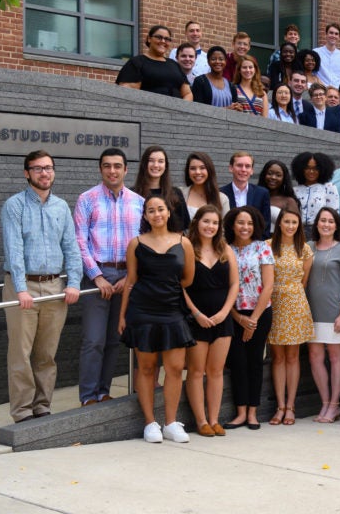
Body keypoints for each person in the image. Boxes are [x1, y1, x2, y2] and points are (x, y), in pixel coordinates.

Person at [1, 151, 82, 423]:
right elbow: (14, 248)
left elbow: (71, 247)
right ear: (27, 173)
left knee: (47, 353)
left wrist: (73, 282)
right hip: (22, 287)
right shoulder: (14, 205)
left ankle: (42, 406)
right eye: (37, 169)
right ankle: (23, 411)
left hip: (54, 287)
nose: (44, 173)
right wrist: (21, 288)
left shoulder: (61, 206)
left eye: (48, 168)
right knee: (21, 354)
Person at [118, 194, 195, 443]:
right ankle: (150, 423)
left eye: (160, 209)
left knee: (174, 368)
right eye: (151, 210)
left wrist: (166, 288)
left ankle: (171, 423)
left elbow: (188, 279)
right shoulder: (136, 244)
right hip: (143, 311)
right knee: (148, 368)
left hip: (172, 309)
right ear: (145, 215)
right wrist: (123, 315)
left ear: (169, 212)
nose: (157, 214)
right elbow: (131, 281)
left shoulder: (184, 243)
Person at [75, 148, 144, 406]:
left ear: (126, 169)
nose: (112, 171)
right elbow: (79, 242)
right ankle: (88, 396)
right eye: (107, 166)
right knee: (94, 339)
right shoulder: (87, 199)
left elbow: (143, 243)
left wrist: (130, 278)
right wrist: (96, 276)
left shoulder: (139, 202)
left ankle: (103, 391)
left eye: (117, 166)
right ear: (101, 169)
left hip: (127, 277)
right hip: (98, 277)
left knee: (115, 338)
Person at [182, 205, 238, 437]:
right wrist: (196, 314)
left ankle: (215, 419)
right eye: (206, 221)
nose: (210, 226)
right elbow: (179, 286)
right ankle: (201, 421)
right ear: (197, 222)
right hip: (196, 319)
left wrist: (225, 312)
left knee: (216, 371)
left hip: (221, 319)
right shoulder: (187, 248)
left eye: (215, 223)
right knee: (196, 371)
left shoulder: (225, 249)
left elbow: (234, 284)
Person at [223, 206, 274, 430]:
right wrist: (237, 317)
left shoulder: (262, 247)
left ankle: (253, 412)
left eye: (250, 223)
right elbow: (223, 287)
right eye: (241, 223)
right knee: (237, 362)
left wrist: (252, 319)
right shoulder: (224, 249)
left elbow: (268, 285)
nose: (245, 227)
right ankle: (240, 412)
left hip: (259, 312)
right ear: (232, 225)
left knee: (254, 361)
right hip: (232, 313)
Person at [265, 209, 313, 427]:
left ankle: (291, 406)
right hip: (273, 303)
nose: (291, 226)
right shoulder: (268, 246)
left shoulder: (304, 248)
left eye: (295, 222)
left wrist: (291, 294)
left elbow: (305, 281)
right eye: (287, 221)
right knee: (277, 357)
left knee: (293, 356)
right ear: (279, 223)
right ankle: (280, 406)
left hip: (295, 303)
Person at [307, 208, 340, 423]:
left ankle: (335, 405)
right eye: (322, 220)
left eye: (330, 221)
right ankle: (325, 402)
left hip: (335, 313)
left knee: (335, 357)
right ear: (316, 224)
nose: (326, 224)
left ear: (336, 225)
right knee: (315, 357)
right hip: (311, 312)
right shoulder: (308, 248)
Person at [116, 25, 192, 100]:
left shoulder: (174, 65)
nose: (163, 41)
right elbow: (128, 93)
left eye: (167, 39)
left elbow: (187, 93)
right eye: (159, 37)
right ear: (149, 39)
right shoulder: (137, 62)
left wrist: (180, 109)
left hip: (176, 111)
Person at [133, 145, 189, 233]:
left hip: (170, 245)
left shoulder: (176, 193)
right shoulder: (133, 194)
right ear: (144, 164)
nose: (156, 165)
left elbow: (181, 230)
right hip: (139, 244)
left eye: (160, 161)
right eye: (151, 161)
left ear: (165, 165)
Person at [220, 151, 272, 239]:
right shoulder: (220, 194)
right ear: (231, 168)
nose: (243, 169)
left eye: (247, 166)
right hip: (227, 246)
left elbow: (265, 225)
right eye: (239, 165)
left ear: (252, 171)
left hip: (254, 246)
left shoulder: (262, 193)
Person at [181, 152, 230, 219]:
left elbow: (225, 227)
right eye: (193, 168)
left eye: (202, 168)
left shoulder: (222, 199)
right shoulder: (180, 194)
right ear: (188, 172)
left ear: (209, 170)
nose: (197, 172)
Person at [314, 23, 340, 88]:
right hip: (320, 91)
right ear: (326, 34)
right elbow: (312, 74)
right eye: (331, 33)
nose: (333, 36)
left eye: (336, 34)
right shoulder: (316, 52)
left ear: (339, 37)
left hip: (337, 93)